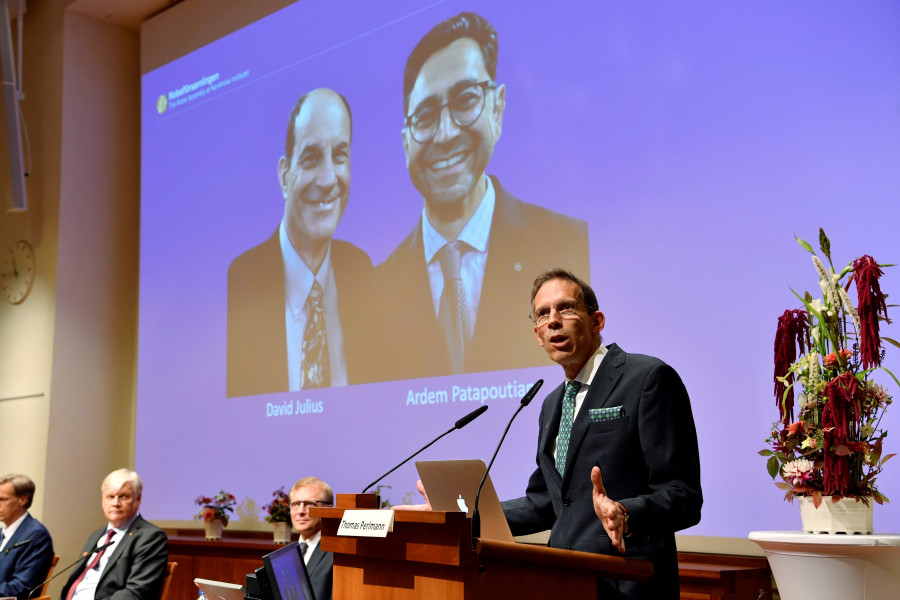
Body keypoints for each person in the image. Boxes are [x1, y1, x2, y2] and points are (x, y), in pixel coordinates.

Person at [377, 12, 590, 379]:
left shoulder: (568, 241)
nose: (444, 134)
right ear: (405, 141)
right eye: (424, 117)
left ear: (497, 105)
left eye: (465, 100)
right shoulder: (376, 288)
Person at [501, 269, 702, 599]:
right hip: (564, 582)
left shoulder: (647, 379)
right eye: (543, 314)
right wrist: (462, 515)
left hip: (628, 584)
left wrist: (626, 513)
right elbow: (546, 504)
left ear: (597, 320)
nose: (553, 320)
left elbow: (683, 496)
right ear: (537, 334)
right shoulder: (552, 405)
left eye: (566, 307)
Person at [228, 88, 374, 397]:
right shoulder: (241, 283)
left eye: (340, 156)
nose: (328, 179)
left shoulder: (363, 272)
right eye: (311, 159)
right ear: (284, 176)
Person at [61, 469, 168, 600]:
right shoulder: (96, 535)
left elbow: (135, 593)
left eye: (123, 496)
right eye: (110, 497)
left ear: (138, 499)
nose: (115, 503)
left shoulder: (151, 537)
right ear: (103, 500)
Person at [0, 474, 54, 600]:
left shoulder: (36, 535)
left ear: (22, 500)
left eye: (3, 499)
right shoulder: (3, 532)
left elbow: (21, 586)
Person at [288, 477, 333, 600]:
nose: (300, 511)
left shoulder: (336, 555)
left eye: (309, 504)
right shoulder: (285, 554)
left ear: (328, 509)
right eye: (295, 504)